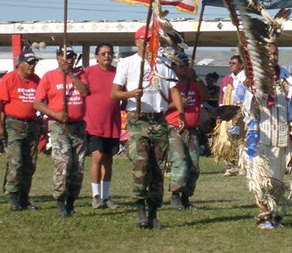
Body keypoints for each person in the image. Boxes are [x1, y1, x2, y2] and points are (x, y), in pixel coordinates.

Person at [111, 26, 186, 229]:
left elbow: (174, 90)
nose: (148, 43)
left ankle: (153, 213)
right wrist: (130, 94)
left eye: (151, 40)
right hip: (138, 120)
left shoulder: (164, 63)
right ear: (137, 42)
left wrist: (180, 114)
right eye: (144, 40)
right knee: (141, 161)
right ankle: (140, 206)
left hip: (159, 121)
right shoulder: (127, 63)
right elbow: (115, 93)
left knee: (157, 168)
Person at [242, 43, 292, 229]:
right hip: (260, 137)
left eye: (276, 54)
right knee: (261, 180)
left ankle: (272, 214)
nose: (273, 57)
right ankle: (264, 216)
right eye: (269, 54)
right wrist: (248, 89)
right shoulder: (252, 77)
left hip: (282, 136)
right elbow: (244, 105)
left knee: (277, 181)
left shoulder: (286, 78)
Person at [34, 45, 89, 217]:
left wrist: (71, 75)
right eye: (65, 56)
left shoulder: (80, 75)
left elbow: (85, 92)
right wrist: (55, 114)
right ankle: (60, 202)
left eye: (72, 56)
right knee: (63, 163)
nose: (69, 59)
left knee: (77, 166)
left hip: (78, 126)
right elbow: (37, 103)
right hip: (58, 126)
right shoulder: (49, 77)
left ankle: (71, 203)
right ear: (58, 58)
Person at [0, 48, 41, 211]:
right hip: (14, 124)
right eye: (29, 63)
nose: (32, 66)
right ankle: (12, 195)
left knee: (30, 162)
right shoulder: (9, 79)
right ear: (20, 64)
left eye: (34, 63)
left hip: (32, 124)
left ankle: (24, 196)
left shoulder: (36, 80)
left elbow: (43, 101)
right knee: (16, 160)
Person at [166, 51, 208, 211]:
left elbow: (205, 96)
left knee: (194, 166)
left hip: (192, 129)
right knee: (180, 162)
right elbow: (161, 105)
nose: (184, 69)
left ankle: (186, 197)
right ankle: (175, 196)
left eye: (186, 66)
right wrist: (177, 105)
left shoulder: (194, 82)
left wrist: (196, 78)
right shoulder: (170, 84)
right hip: (175, 128)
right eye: (180, 66)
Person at [84, 43, 122, 210]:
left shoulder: (118, 73)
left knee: (108, 160)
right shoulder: (88, 72)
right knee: (97, 157)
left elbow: (124, 93)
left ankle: (106, 196)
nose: (107, 56)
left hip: (112, 123)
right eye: (104, 53)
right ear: (96, 56)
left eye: (110, 53)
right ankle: (96, 195)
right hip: (94, 124)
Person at [213, 55, 246, 176]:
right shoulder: (226, 79)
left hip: (242, 114)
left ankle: (243, 166)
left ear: (241, 65)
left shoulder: (246, 79)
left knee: (242, 139)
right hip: (228, 114)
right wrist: (220, 116)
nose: (230, 65)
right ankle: (230, 165)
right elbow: (221, 98)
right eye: (230, 63)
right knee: (227, 138)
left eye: (233, 63)